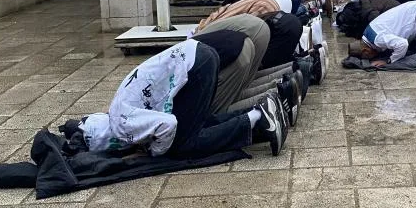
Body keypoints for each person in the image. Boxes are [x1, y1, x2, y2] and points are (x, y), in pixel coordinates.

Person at [79, 39, 291, 159]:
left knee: (184, 145)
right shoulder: (116, 109)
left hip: (195, 67)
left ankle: (256, 117)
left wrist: (156, 152)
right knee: (196, 125)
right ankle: (261, 111)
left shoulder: (121, 126)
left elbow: (168, 125)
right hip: (198, 54)